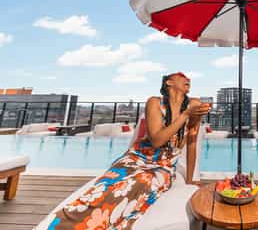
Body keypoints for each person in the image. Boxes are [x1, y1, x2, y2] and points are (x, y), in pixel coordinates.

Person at [47, 72, 210, 230]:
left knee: (141, 182)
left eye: (188, 77)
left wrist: (190, 180)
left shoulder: (194, 104)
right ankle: (70, 222)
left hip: (163, 165)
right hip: (137, 157)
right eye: (182, 76)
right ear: (169, 82)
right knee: (107, 186)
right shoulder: (154, 102)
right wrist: (185, 115)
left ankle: (101, 223)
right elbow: (157, 140)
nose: (187, 78)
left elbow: (192, 142)